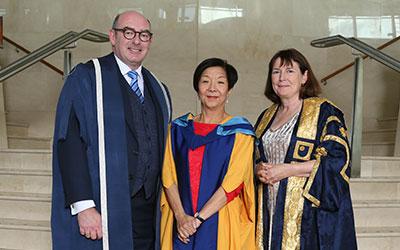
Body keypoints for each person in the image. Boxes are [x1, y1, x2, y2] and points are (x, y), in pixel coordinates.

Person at [51, 10, 172, 250]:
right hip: (103, 203)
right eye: (128, 32)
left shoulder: (159, 88)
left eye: (144, 35)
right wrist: (84, 206)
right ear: (112, 36)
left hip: (148, 210)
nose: (136, 40)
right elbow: (70, 142)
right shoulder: (86, 78)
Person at [254, 48, 357, 250]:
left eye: (290, 71)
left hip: (306, 213)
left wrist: (287, 170)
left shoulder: (323, 112)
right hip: (267, 206)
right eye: (276, 72)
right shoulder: (265, 116)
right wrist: (257, 169)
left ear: (305, 76)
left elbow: (337, 160)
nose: (282, 77)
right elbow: (253, 157)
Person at [160, 58, 256, 249]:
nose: (212, 88)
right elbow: (168, 177)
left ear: (229, 91)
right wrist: (181, 217)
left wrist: (197, 221)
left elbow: (233, 182)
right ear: (197, 88)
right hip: (180, 219)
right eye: (205, 81)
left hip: (222, 219)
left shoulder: (240, 133)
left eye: (220, 82)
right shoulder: (177, 129)